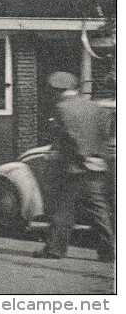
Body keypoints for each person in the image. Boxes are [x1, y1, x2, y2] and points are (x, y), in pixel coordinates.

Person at [33, 72, 115, 263]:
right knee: (98, 211)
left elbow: (70, 136)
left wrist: (80, 156)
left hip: (73, 167)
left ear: (57, 90)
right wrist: (97, 157)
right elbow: (104, 133)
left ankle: (54, 249)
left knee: (62, 210)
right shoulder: (94, 106)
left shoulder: (62, 108)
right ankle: (108, 251)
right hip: (97, 166)